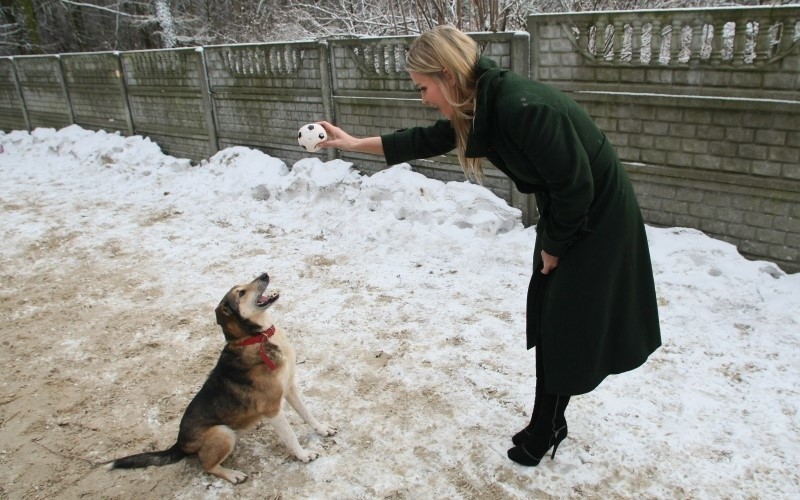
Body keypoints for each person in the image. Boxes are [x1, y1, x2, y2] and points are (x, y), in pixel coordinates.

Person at [318, 25, 662, 467]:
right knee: (551, 318)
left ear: (446, 74)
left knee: (563, 324)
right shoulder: (485, 103)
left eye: (424, 88)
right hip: (569, 213)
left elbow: (576, 185)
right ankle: (550, 421)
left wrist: (555, 246)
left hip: (598, 219)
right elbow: (429, 138)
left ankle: (547, 425)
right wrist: (351, 143)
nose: (423, 98)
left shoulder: (522, 108)